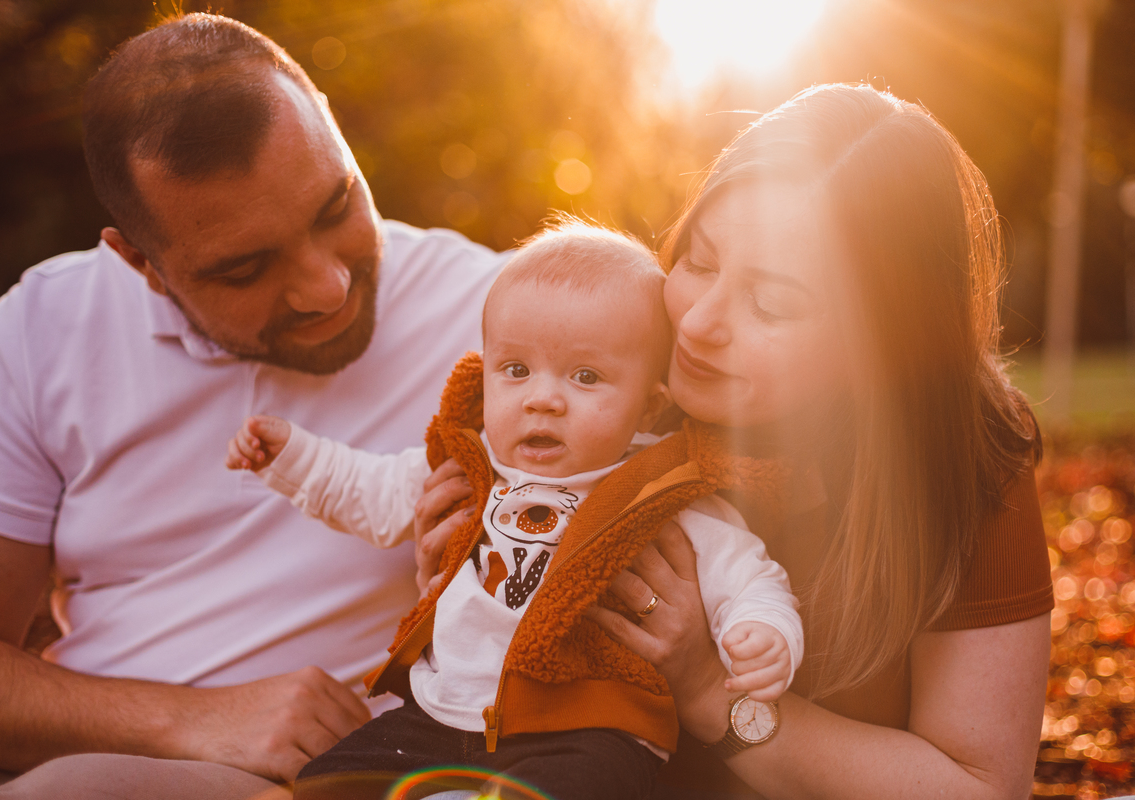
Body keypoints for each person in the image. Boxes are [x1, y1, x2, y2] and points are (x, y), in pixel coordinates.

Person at [0, 13, 504, 800]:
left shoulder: (499, 313)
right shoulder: (45, 326)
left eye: (334, 207)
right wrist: (190, 720)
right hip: (62, 754)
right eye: (246, 269)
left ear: (335, 133)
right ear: (141, 262)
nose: (328, 287)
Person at [569, 84, 1053, 798]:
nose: (700, 322)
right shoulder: (611, 393)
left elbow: (980, 787)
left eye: (770, 303)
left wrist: (710, 690)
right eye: (699, 263)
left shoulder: (966, 460)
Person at [226, 222, 804, 800]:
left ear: (649, 407)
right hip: (439, 713)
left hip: (587, 728)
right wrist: (290, 454)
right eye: (516, 370)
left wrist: (762, 630)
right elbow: (367, 490)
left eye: (586, 377)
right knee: (324, 784)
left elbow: (747, 575)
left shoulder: (663, 490)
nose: (542, 399)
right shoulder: (473, 464)